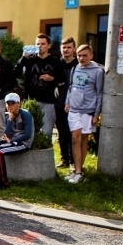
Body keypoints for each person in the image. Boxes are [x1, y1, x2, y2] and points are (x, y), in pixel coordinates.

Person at [64, 44, 103, 184]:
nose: (81, 58)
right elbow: (71, 86)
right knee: (75, 138)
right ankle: (76, 170)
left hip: (88, 110)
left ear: (91, 55)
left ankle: (79, 171)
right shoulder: (76, 67)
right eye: (79, 55)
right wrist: (67, 101)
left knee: (83, 139)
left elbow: (99, 94)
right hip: (74, 109)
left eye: (84, 55)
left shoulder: (98, 71)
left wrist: (96, 114)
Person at [14, 33, 64, 136]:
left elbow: (62, 80)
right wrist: (23, 58)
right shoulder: (29, 60)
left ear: (49, 45)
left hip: (48, 102)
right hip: (31, 100)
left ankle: (44, 151)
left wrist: (52, 79)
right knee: (29, 131)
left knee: (46, 132)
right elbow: (16, 74)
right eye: (37, 44)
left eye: (43, 44)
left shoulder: (55, 62)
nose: (40, 46)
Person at [0, 92, 34, 190]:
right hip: (11, 140)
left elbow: (27, 134)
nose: (10, 106)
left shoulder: (26, 115)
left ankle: (4, 182)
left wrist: (12, 140)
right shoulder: (8, 116)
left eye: (12, 103)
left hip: (23, 143)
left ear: (18, 104)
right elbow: (7, 134)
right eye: (8, 104)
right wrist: (10, 120)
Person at [55, 37, 78, 168]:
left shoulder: (78, 65)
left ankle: (74, 161)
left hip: (75, 105)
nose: (66, 50)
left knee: (74, 134)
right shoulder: (57, 64)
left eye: (69, 47)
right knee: (62, 133)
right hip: (59, 103)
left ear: (74, 49)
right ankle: (65, 159)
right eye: (64, 47)